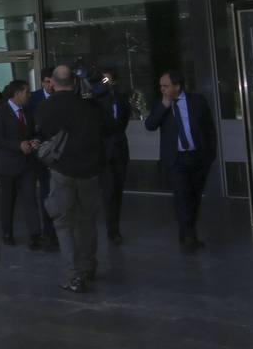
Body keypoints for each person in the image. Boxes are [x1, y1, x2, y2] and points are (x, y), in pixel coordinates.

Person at [34, 65, 112, 293]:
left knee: (63, 223)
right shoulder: (89, 105)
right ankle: (88, 266)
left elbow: (40, 131)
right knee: (87, 221)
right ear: (74, 82)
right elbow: (110, 127)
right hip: (90, 171)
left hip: (62, 171)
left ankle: (72, 274)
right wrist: (104, 86)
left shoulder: (46, 107)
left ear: (53, 83)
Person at [144, 69, 216, 253]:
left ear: (177, 86)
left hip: (198, 157)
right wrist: (164, 105)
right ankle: (188, 236)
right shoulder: (160, 104)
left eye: (166, 86)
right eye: (161, 86)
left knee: (194, 197)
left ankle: (186, 232)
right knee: (182, 197)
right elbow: (150, 125)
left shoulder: (197, 102)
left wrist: (210, 154)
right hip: (176, 160)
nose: (162, 89)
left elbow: (209, 128)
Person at [0, 80, 41, 249]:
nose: (29, 95)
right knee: (8, 201)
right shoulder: (0, 112)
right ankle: (7, 233)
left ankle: (35, 235)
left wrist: (35, 141)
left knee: (30, 199)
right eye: (26, 92)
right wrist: (18, 145)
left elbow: (35, 131)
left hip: (27, 164)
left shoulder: (28, 111)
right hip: (7, 165)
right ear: (17, 93)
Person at [92, 68, 131, 245]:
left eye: (107, 80)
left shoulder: (122, 99)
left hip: (120, 150)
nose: (104, 83)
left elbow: (124, 121)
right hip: (104, 152)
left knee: (118, 192)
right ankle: (112, 230)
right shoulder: (97, 100)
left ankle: (115, 228)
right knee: (108, 192)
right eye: (102, 80)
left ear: (114, 81)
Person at [27, 67, 59, 251]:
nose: (50, 85)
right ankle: (48, 231)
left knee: (59, 191)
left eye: (52, 81)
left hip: (60, 152)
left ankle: (57, 230)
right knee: (46, 192)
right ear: (41, 82)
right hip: (41, 152)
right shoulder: (33, 99)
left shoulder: (62, 97)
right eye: (47, 81)